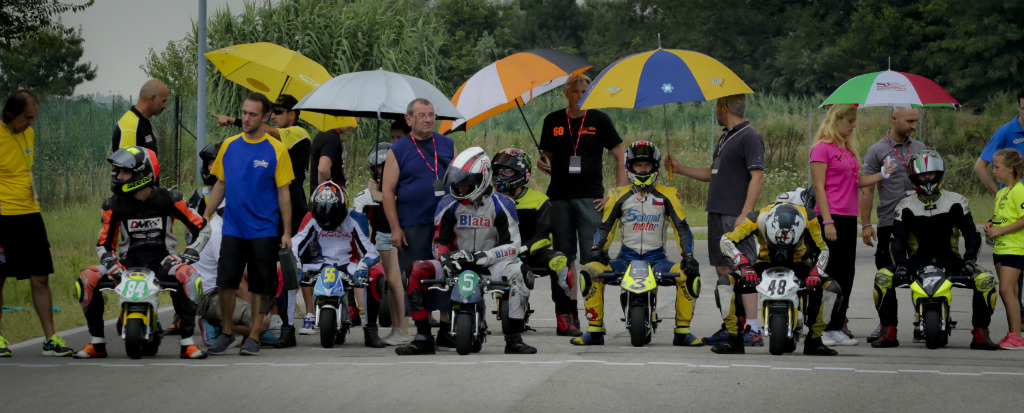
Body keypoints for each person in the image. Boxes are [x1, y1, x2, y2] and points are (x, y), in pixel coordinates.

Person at [395, 147, 537, 355]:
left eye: (464, 183)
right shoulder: (447, 204)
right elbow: (438, 241)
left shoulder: (503, 204)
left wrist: (484, 257)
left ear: (482, 179)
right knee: (414, 271)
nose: (459, 189)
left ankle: (514, 340)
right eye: (456, 183)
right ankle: (423, 337)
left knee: (520, 272)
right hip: (456, 262)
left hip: (490, 264)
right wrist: (445, 257)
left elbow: (512, 246)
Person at [73, 146, 210, 359]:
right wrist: (111, 263)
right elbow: (103, 244)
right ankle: (97, 342)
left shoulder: (170, 198)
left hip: (164, 262)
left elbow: (202, 227)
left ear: (142, 173)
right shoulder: (113, 205)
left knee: (191, 277)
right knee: (86, 278)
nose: (118, 176)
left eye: (124, 172)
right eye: (117, 171)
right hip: (127, 264)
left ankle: (187, 344)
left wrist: (189, 253)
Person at [572, 141, 703, 346]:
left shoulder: (669, 194)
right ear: (629, 167)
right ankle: (595, 331)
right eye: (638, 165)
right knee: (589, 271)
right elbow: (605, 228)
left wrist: (688, 256)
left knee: (689, 275)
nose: (643, 169)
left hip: (657, 261)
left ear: (655, 167)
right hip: (625, 260)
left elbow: (682, 228)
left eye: (647, 165)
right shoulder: (617, 195)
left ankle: (682, 332)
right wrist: (598, 249)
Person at [871, 150, 1000, 350]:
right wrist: (901, 265)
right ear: (914, 178)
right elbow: (897, 241)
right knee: (882, 278)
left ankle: (981, 335)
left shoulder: (957, 201)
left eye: (930, 174)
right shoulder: (904, 205)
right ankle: (889, 332)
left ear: (939, 174)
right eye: (922, 175)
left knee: (985, 280)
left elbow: (972, 236)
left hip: (951, 262)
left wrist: (969, 260)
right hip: (916, 262)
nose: (927, 179)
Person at [667, 94, 765, 346]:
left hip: (735, 214)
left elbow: (757, 176)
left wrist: (746, 213)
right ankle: (732, 326)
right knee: (723, 269)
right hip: (717, 213)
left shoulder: (750, 136)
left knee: (744, 268)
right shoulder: (724, 138)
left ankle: (753, 329)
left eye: (717, 107)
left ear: (724, 107)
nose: (716, 112)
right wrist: (680, 168)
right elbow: (713, 174)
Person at [203, 92, 294, 356]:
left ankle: (254, 335)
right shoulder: (229, 145)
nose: (245, 118)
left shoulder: (276, 149)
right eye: (244, 113)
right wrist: (205, 217)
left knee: (260, 286)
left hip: (263, 230)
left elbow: (284, 192)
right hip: (233, 227)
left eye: (252, 114)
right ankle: (226, 332)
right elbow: (220, 183)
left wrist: (287, 232)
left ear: (265, 117)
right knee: (226, 282)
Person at [537, 73, 627, 331]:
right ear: (566, 93)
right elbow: (546, 156)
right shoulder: (553, 120)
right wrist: (542, 162)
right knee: (563, 258)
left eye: (583, 92)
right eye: (574, 91)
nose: (579, 96)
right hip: (559, 197)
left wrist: (616, 194)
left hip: (591, 198)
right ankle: (568, 313)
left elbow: (620, 155)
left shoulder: (600, 120)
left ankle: (594, 313)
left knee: (592, 258)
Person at [709, 191, 844, 356]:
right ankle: (734, 338)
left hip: (799, 264)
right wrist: (744, 265)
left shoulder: (808, 217)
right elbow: (726, 240)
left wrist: (815, 273)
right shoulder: (756, 218)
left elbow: (823, 249)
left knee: (832, 289)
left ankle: (815, 340)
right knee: (724, 284)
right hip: (765, 264)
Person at [809, 103, 893, 346]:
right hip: (830, 216)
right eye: (850, 121)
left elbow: (858, 181)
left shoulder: (847, 150)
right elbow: (819, 188)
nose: (854, 126)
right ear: (836, 119)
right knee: (830, 273)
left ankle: (836, 325)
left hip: (848, 217)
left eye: (855, 121)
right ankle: (820, 328)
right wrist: (827, 221)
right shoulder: (821, 149)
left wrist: (882, 175)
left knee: (846, 274)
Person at [0, 90, 74, 357]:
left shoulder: (29, 134)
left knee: (41, 277)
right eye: (28, 118)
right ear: (12, 114)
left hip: (30, 213)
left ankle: (50, 339)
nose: (32, 123)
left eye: (34, 117)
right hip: (3, 216)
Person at [381, 99, 457, 328]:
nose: (428, 120)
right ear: (409, 119)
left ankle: (446, 328)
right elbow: (388, 192)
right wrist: (395, 229)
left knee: (448, 274)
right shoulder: (398, 150)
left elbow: (460, 179)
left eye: (431, 115)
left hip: (446, 224)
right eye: (422, 115)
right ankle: (422, 332)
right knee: (416, 276)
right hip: (413, 224)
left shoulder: (448, 144)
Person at [491, 148, 580, 336]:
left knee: (559, 261)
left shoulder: (540, 200)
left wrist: (522, 249)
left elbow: (545, 236)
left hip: (529, 254)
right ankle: (472, 319)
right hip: (497, 256)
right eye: (498, 171)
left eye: (507, 171)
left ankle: (564, 318)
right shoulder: (489, 200)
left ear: (521, 173)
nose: (501, 175)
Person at [859, 107, 925, 343]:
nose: (913, 126)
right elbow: (867, 189)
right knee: (886, 274)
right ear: (894, 119)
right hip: (890, 222)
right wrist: (866, 224)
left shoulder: (920, 149)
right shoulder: (877, 150)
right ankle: (886, 324)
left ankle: (923, 320)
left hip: (920, 221)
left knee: (922, 271)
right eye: (909, 121)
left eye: (916, 122)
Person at [293, 181, 385, 347]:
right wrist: (296, 263)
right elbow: (295, 244)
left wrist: (363, 265)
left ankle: (371, 330)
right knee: (283, 273)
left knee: (375, 274)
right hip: (322, 263)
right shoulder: (312, 218)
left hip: (349, 264)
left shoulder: (355, 218)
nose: (327, 219)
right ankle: (287, 329)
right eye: (322, 213)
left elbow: (371, 251)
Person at [193, 201, 278, 347]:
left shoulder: (231, 228)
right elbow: (236, 277)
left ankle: (250, 326)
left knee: (271, 283)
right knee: (262, 323)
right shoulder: (219, 234)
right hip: (211, 295)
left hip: (226, 286)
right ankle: (215, 323)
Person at [973, 87, 1024, 328]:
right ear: (1018, 106)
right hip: (1015, 210)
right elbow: (980, 166)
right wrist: (1000, 194)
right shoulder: (1006, 131)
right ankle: (1018, 323)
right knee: (1011, 281)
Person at [352, 142, 412, 345]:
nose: (382, 170)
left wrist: (381, 196)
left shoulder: (402, 189)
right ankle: (395, 328)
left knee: (396, 282)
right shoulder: (365, 195)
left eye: (386, 166)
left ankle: (403, 329)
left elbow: (405, 204)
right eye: (378, 167)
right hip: (379, 238)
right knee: (389, 284)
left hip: (398, 235)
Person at [984, 149, 1024, 349]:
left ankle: (1016, 336)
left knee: (1006, 290)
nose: (993, 171)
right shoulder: (1001, 192)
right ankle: (1013, 334)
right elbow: (1003, 217)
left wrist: (1001, 231)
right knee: (1011, 292)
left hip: (1014, 248)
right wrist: (991, 224)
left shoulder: (1019, 190)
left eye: (997, 167)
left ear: (1010, 169)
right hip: (1000, 249)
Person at [111, 79, 168, 154]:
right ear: (152, 99)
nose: (166, 106)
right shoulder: (130, 127)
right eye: (163, 101)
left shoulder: (143, 121)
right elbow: (125, 160)